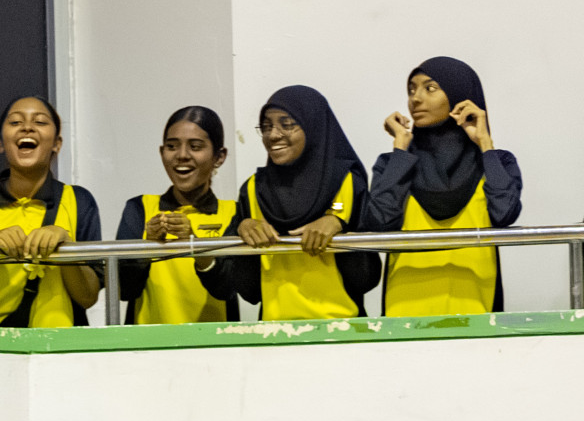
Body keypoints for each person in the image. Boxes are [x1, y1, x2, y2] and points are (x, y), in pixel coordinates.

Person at [197, 85, 380, 320]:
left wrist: (336, 221)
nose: (273, 135)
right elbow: (242, 287)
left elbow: (366, 276)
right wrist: (243, 228)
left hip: (343, 328)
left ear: (313, 126)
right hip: (274, 332)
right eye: (266, 126)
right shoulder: (253, 189)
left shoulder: (345, 181)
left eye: (287, 124)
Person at [365, 57, 521, 315]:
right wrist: (400, 148)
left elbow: (505, 213)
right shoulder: (394, 164)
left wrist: (485, 143)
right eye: (411, 90)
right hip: (403, 317)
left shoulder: (496, 162)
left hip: (476, 313)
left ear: (460, 97)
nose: (415, 99)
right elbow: (380, 220)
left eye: (430, 88)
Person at [0, 96, 102, 328]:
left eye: (40, 122)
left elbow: (88, 297)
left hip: (62, 343)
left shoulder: (79, 201)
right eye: (15, 122)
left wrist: (66, 247)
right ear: (1, 144)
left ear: (57, 144)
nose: (27, 127)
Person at [115, 106, 238, 324]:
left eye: (195, 147)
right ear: (161, 152)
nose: (182, 155)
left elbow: (227, 288)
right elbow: (124, 290)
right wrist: (147, 248)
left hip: (215, 342)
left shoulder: (233, 213)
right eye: (172, 146)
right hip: (148, 342)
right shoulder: (140, 208)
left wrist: (196, 247)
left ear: (219, 156)